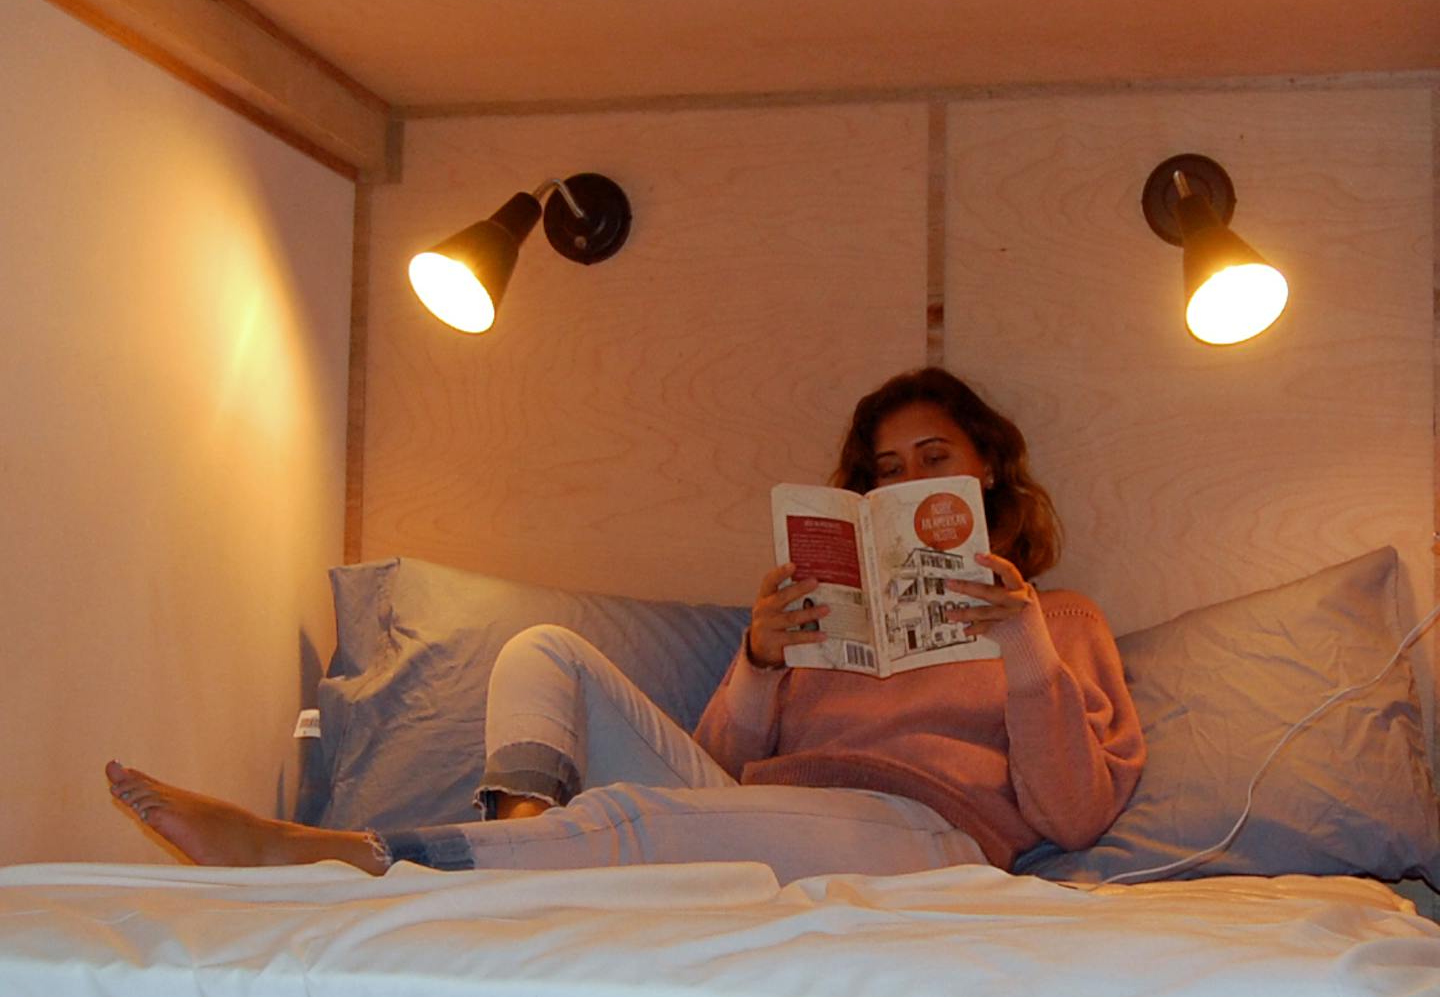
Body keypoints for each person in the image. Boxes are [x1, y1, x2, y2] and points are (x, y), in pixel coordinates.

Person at [106, 367, 1145, 883]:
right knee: (544, 651)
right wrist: (758, 661)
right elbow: (711, 767)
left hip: (926, 839)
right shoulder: (832, 615)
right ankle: (515, 842)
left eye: (932, 459)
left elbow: (1075, 813)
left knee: (651, 826)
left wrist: (1021, 651)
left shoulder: (1058, 619)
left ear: (985, 471)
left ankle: (351, 859)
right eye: (884, 469)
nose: (909, 479)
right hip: (769, 815)